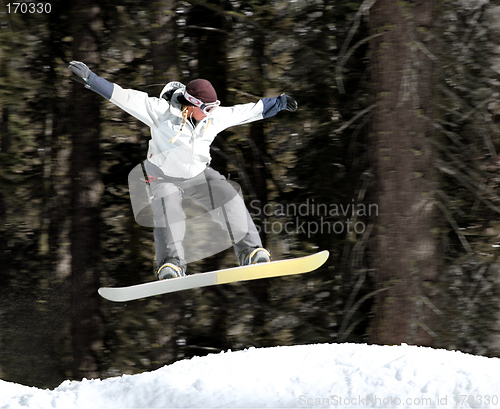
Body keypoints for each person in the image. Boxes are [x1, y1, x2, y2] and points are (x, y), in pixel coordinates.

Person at [68, 61, 298, 280]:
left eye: (213, 107)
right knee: (169, 212)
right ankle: (171, 265)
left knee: (230, 198)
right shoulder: (160, 112)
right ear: (192, 103)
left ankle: (251, 252)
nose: (211, 112)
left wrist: (280, 102)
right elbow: (124, 96)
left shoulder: (214, 117)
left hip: (199, 175)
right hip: (162, 177)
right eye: (207, 107)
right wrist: (91, 79)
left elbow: (248, 110)